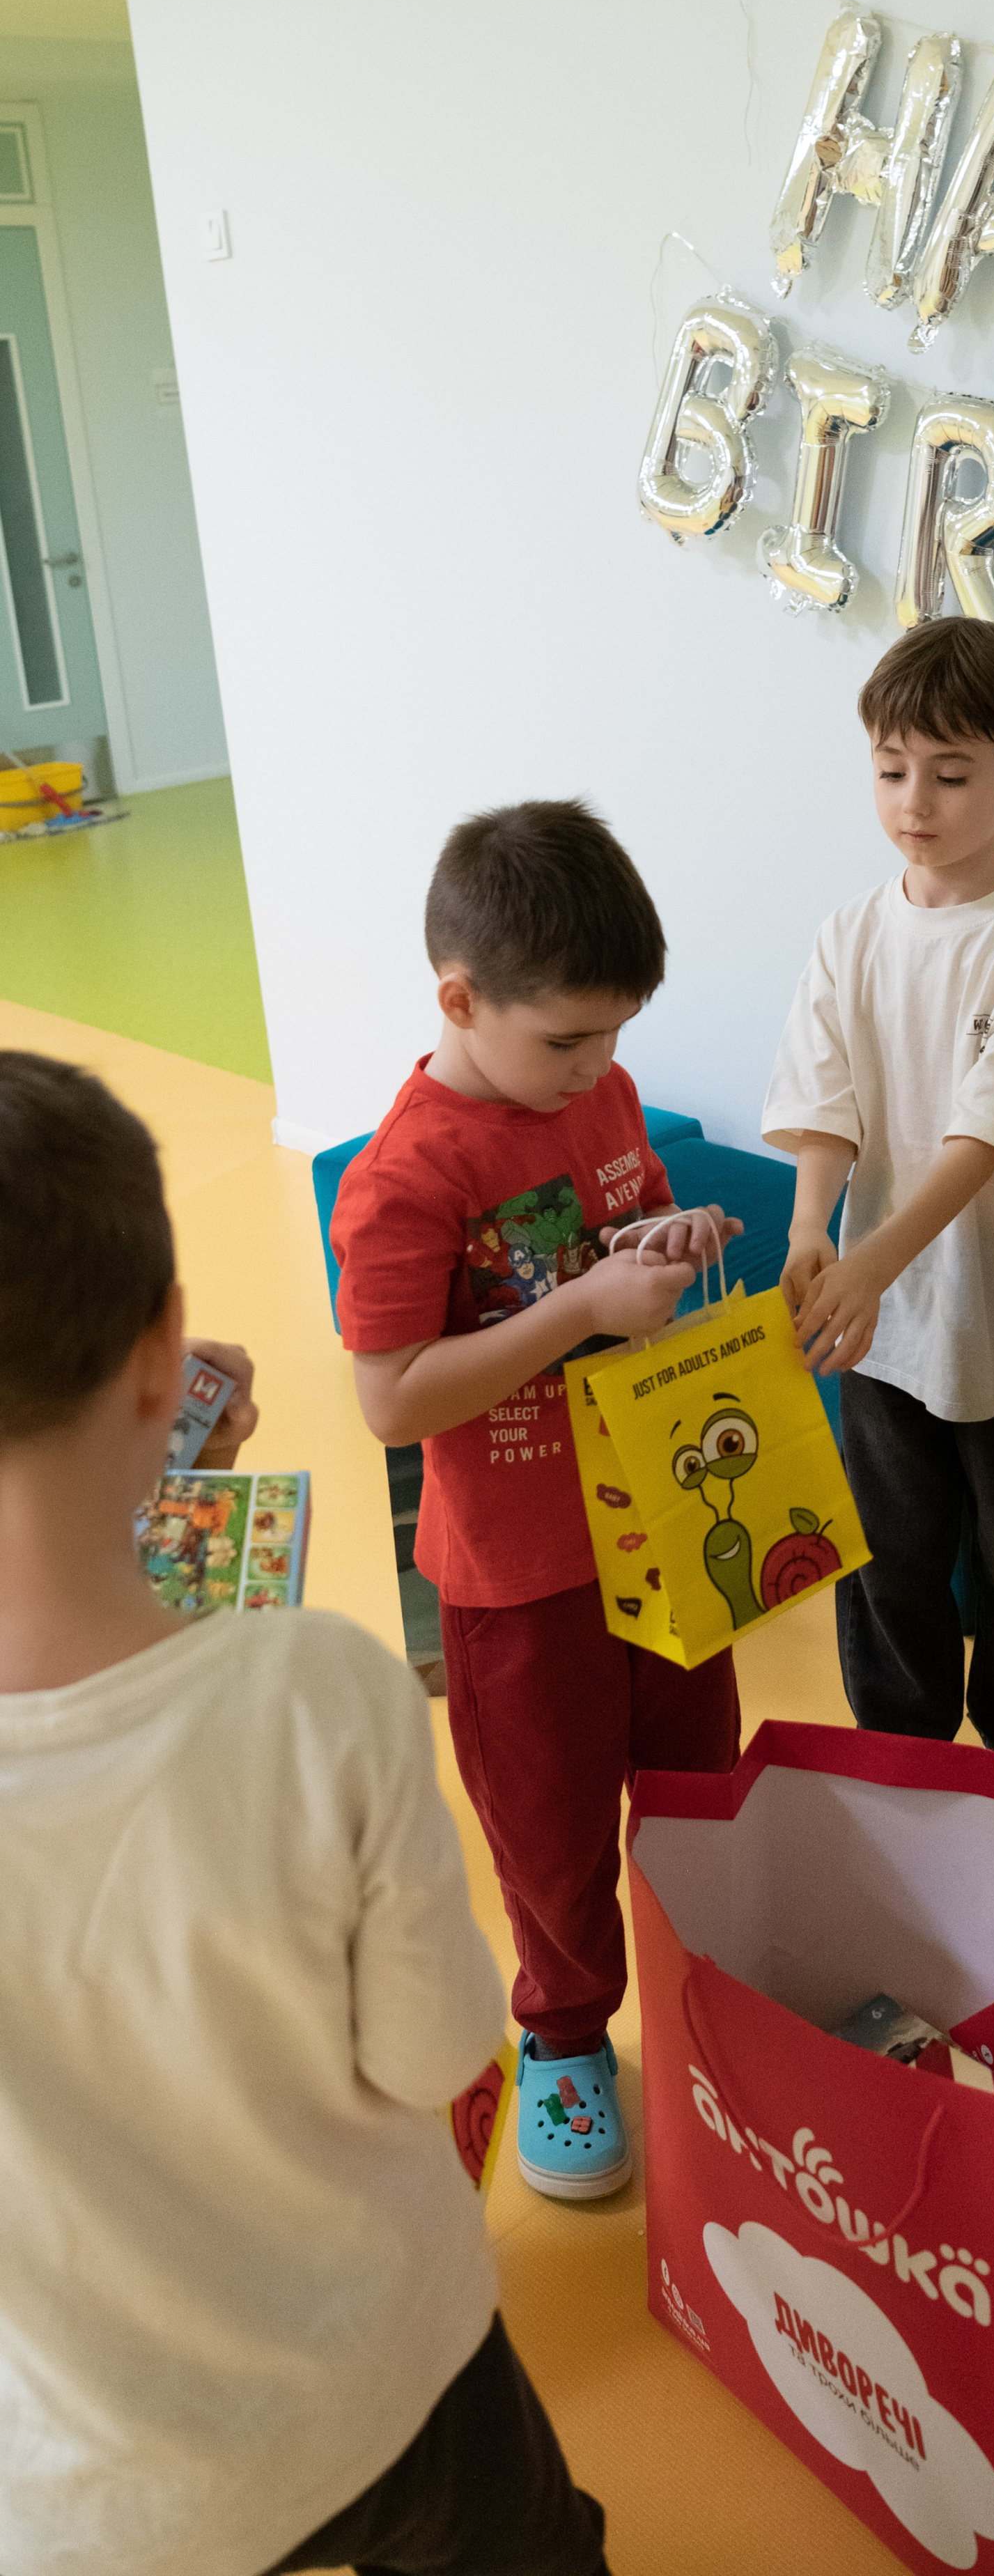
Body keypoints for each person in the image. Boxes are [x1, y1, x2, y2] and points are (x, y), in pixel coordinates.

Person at [0, 1050, 610, 2576]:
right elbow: (433, 2052)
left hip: (88, 2492)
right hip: (383, 2382)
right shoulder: (318, 1696)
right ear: (164, 1352)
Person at [333, 800, 741, 2201]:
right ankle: (564, 2037)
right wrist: (580, 1309)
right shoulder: (407, 1176)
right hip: (520, 1579)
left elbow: (623, 1219)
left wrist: (669, 1239)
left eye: (616, 1034)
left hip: (660, 1525)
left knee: (696, 1789)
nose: (598, 1068)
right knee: (553, 1838)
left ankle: (706, 1995)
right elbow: (393, 1401)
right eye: (568, 1040)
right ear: (460, 1000)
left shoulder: (597, 1097)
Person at [765, 621, 994, 1764]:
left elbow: (985, 1136)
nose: (915, 802)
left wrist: (869, 1264)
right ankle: (903, 1753)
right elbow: (826, 1098)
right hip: (880, 1328)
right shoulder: (849, 932)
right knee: (886, 1551)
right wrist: (812, 1229)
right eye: (892, 770)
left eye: (950, 776)